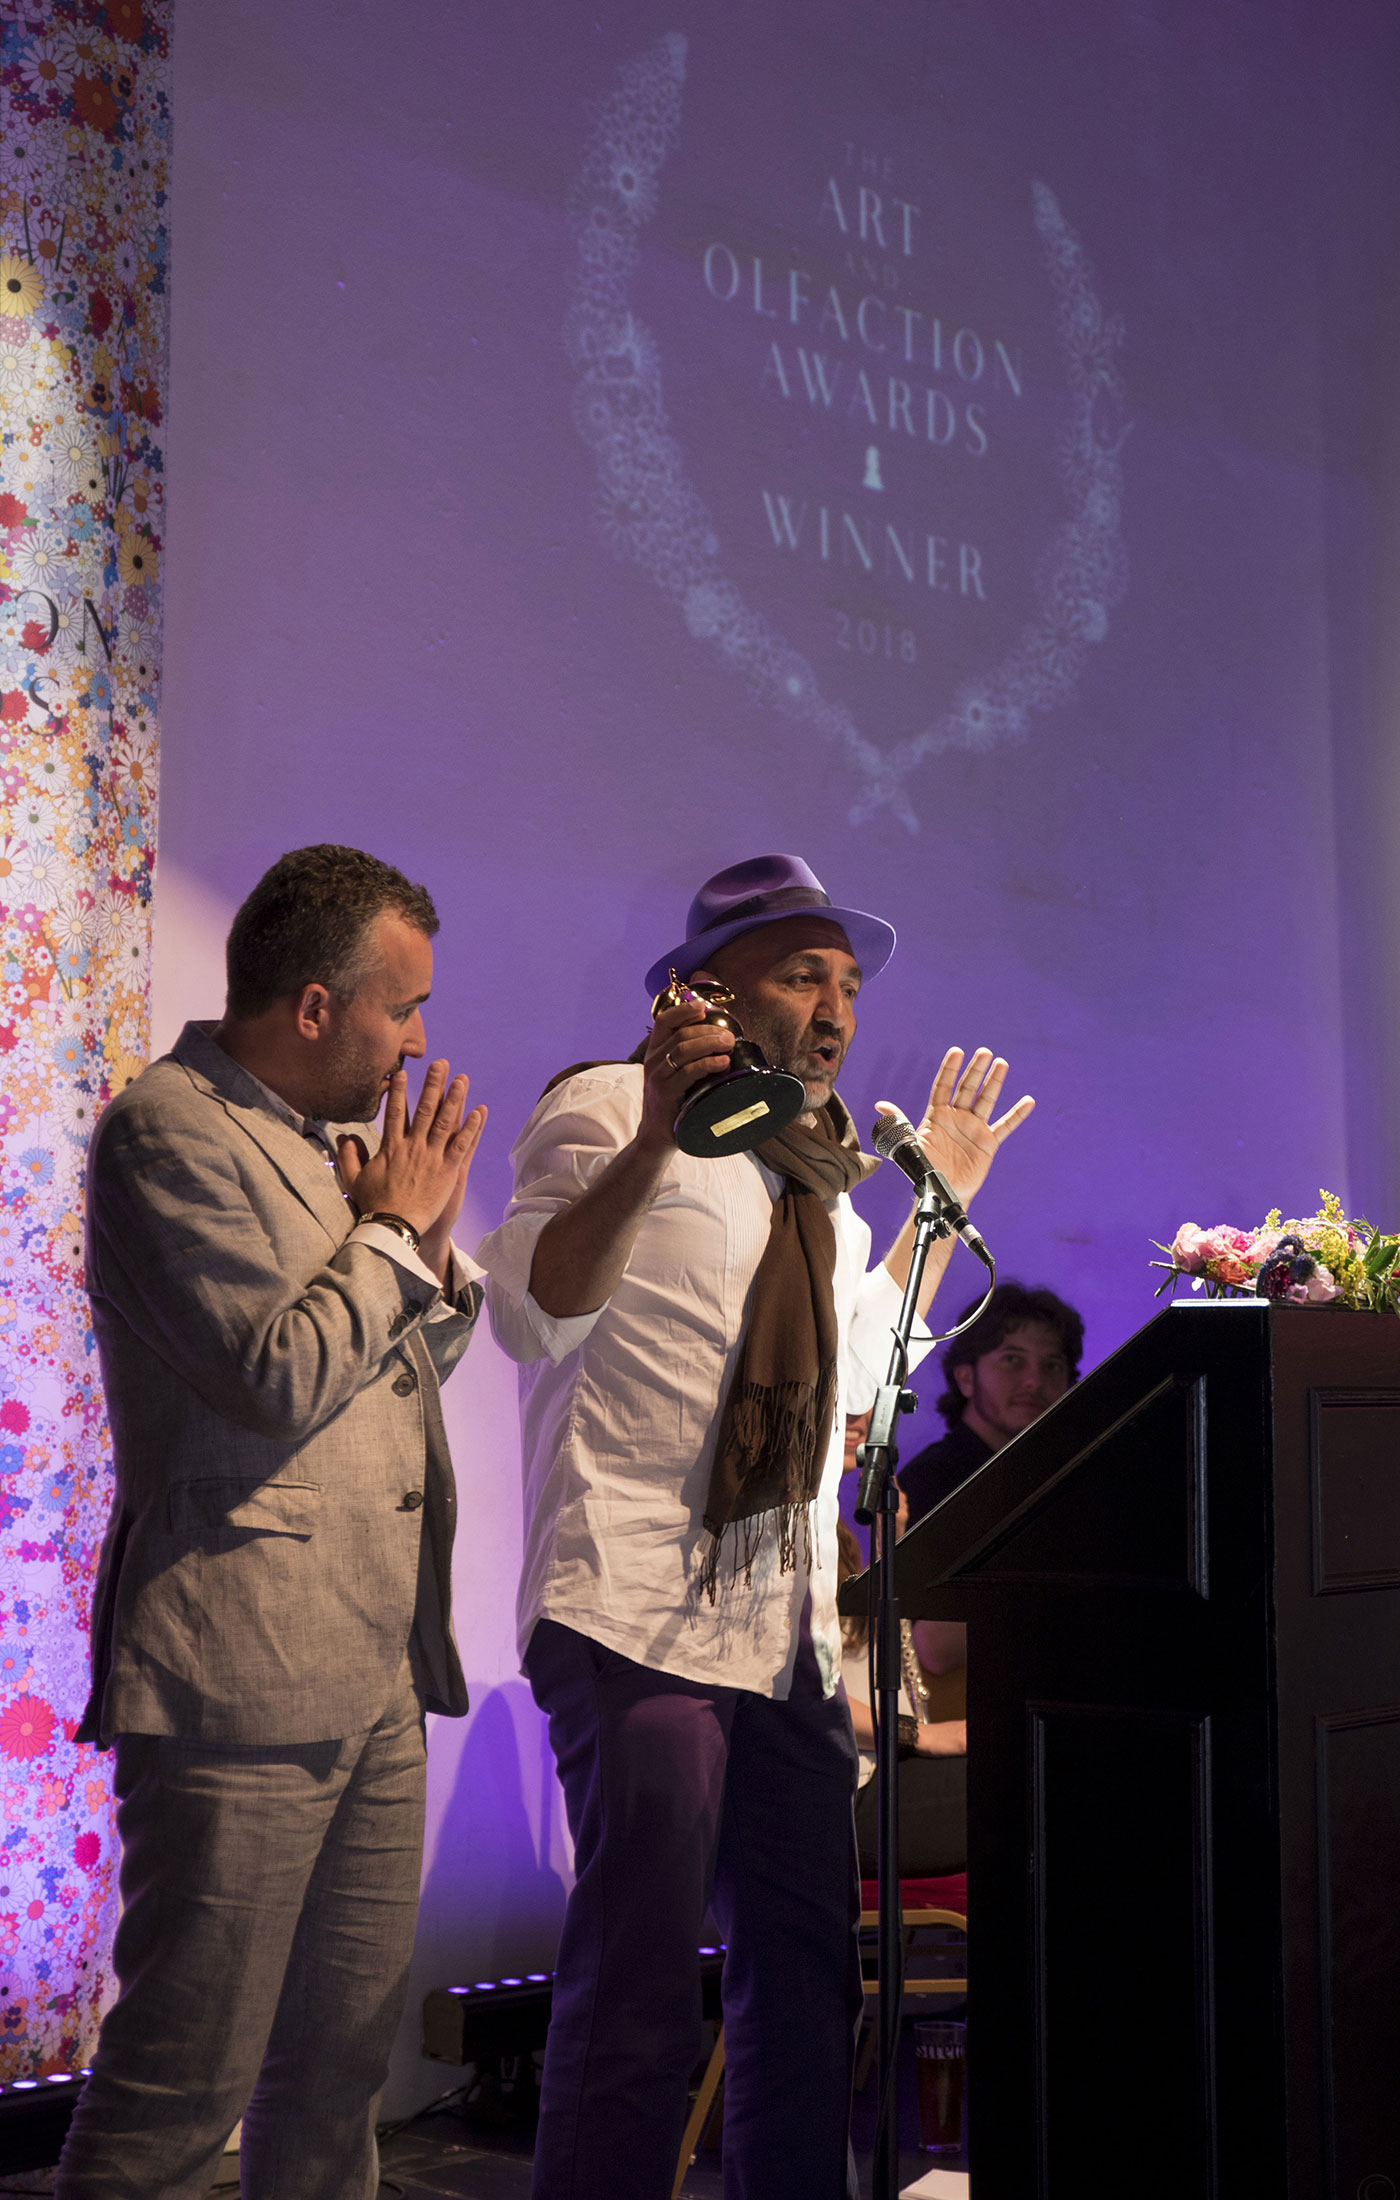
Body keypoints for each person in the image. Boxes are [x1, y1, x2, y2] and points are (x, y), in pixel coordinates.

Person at [478, 852, 1034, 2200]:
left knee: (801, 1977)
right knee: (641, 1989)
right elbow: (534, 1305)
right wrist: (663, 1131)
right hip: (637, 1615)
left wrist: (939, 1203)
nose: (836, 1008)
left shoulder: (818, 1188)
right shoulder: (605, 1107)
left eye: (846, 985)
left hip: (777, 1630)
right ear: (702, 993)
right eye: (803, 975)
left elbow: (860, 1373)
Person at [56, 845, 488, 2200]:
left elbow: (385, 1380)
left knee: (341, 2072)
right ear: (314, 1006)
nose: (418, 1039)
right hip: (239, 1668)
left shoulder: (319, 1146)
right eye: (400, 1008)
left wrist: (424, 1250)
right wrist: (392, 1238)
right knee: (183, 2081)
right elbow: (276, 1374)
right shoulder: (169, 1130)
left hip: (368, 1667)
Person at [837, 1417, 966, 1879]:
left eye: (867, 1402)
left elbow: (855, 1652)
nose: (861, 1419)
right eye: (846, 1399)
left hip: (870, 1769)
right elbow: (808, 1690)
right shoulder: (785, 1527)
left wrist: (887, 1551)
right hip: (842, 1796)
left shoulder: (832, 1531)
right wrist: (921, 1734)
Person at [897, 1281, 1084, 1525]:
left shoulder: (1070, 1473)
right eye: (1012, 1359)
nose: (1034, 1381)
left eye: (1052, 1365)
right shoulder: (930, 1482)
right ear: (966, 1378)